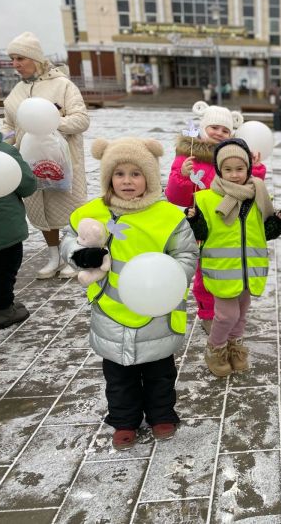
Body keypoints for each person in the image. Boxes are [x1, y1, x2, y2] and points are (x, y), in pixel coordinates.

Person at [61, 137, 198, 451]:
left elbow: (187, 255)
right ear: (108, 177)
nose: (127, 181)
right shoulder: (92, 212)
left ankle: (162, 414)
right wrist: (78, 254)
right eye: (119, 173)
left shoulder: (167, 216)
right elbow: (71, 239)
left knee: (159, 372)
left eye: (135, 174)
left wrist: (172, 278)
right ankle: (124, 420)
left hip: (157, 313)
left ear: (149, 177)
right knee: (118, 376)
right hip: (111, 310)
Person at [185, 138, 281, 377]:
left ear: (248, 169)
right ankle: (216, 347)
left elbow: (266, 231)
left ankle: (235, 346)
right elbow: (201, 234)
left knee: (241, 313)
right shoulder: (206, 199)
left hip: (249, 268)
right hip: (222, 269)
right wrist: (193, 220)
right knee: (226, 315)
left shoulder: (258, 196)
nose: (234, 175)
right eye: (228, 169)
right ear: (220, 170)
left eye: (240, 169)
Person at [165, 101, 266, 335]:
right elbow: (176, 197)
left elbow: (250, 185)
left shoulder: (232, 158)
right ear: (202, 128)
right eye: (214, 127)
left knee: (227, 267)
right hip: (201, 223)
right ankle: (208, 313)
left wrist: (257, 169)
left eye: (225, 130)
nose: (219, 133)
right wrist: (182, 176)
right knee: (205, 272)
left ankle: (231, 305)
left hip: (229, 226)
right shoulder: (187, 157)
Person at [1, 31, 89, 280]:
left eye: (20, 58)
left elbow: (81, 119)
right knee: (41, 211)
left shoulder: (62, 85)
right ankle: (53, 257)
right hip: (29, 163)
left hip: (62, 162)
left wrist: (51, 122)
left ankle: (72, 255)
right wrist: (6, 143)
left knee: (69, 209)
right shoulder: (16, 92)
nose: (15, 64)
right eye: (12, 59)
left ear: (35, 58)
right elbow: (9, 124)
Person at [0, 95, 37, 329]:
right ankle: (4, 309)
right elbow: (27, 185)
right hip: (5, 228)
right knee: (4, 269)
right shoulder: (5, 152)